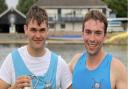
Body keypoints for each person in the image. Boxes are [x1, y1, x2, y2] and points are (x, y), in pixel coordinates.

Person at [0, 5, 72, 89]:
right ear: (26, 29)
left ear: (47, 30)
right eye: (33, 30)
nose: (38, 36)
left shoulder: (59, 64)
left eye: (42, 30)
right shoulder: (12, 60)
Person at [69, 10, 127, 89]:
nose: (92, 39)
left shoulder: (117, 69)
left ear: (105, 36)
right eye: (88, 32)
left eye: (98, 33)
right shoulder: (75, 62)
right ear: (82, 34)